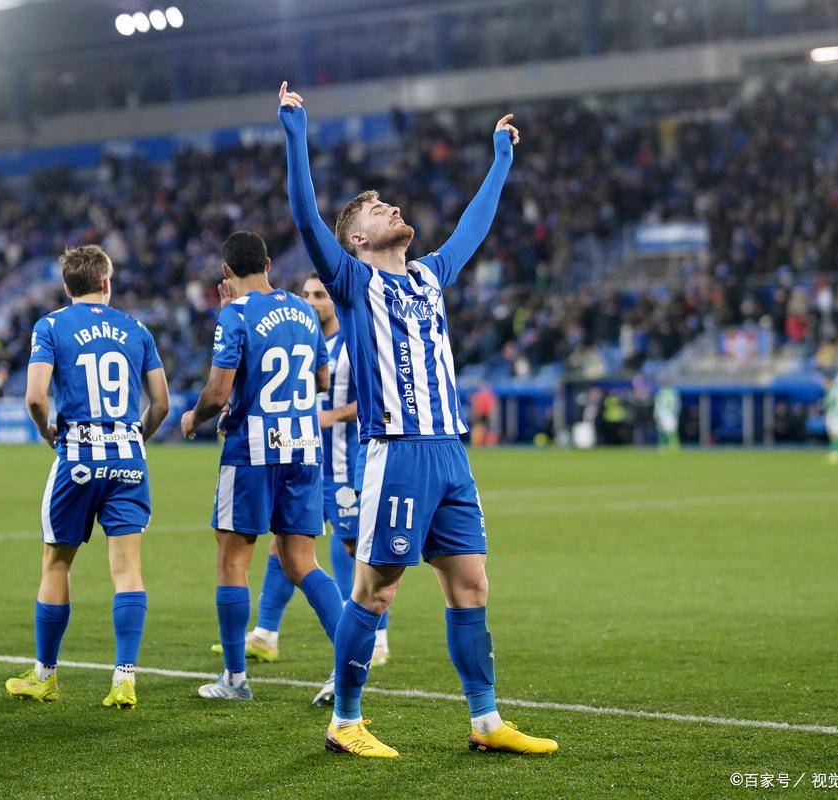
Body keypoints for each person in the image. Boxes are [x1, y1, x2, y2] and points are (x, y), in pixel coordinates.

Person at [279, 81, 557, 757]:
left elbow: (474, 226)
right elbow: (305, 215)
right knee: (375, 592)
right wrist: (296, 133)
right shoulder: (351, 281)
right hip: (398, 452)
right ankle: (345, 721)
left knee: (471, 585)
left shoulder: (431, 275)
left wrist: (500, 160)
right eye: (379, 209)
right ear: (357, 238)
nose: (393, 209)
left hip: (450, 452)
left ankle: (486, 722)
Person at [181, 231, 345, 703]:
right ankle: (348, 667)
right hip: (304, 447)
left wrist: (194, 418)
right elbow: (321, 380)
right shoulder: (303, 310)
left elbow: (217, 393)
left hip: (252, 451)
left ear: (226, 272)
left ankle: (234, 680)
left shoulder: (235, 314)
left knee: (233, 560)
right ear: (269, 264)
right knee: (302, 561)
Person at [5, 245, 170, 706]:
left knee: (57, 563)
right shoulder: (136, 329)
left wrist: (47, 432)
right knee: (128, 570)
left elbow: (35, 396)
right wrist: (136, 437)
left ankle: (45, 676)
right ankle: (124, 678)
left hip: (78, 455)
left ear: (66, 286)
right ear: (106, 283)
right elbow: (161, 403)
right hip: (128, 457)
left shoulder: (51, 326)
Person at [212, 274, 390, 676]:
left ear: (335, 300)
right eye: (306, 294)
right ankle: (266, 633)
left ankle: (375, 637)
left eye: (319, 295)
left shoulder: (355, 343)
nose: (311, 301)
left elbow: (379, 401)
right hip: (303, 458)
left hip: (343, 465)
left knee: (352, 548)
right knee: (284, 549)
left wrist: (333, 415)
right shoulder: (303, 336)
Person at [654, 382, 681, 452]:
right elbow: (677, 405)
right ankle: (669, 446)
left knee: (666, 430)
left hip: (665, 414)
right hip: (668, 414)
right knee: (667, 430)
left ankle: (668, 446)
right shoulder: (672, 393)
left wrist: (656, 414)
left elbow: (657, 405)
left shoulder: (661, 393)